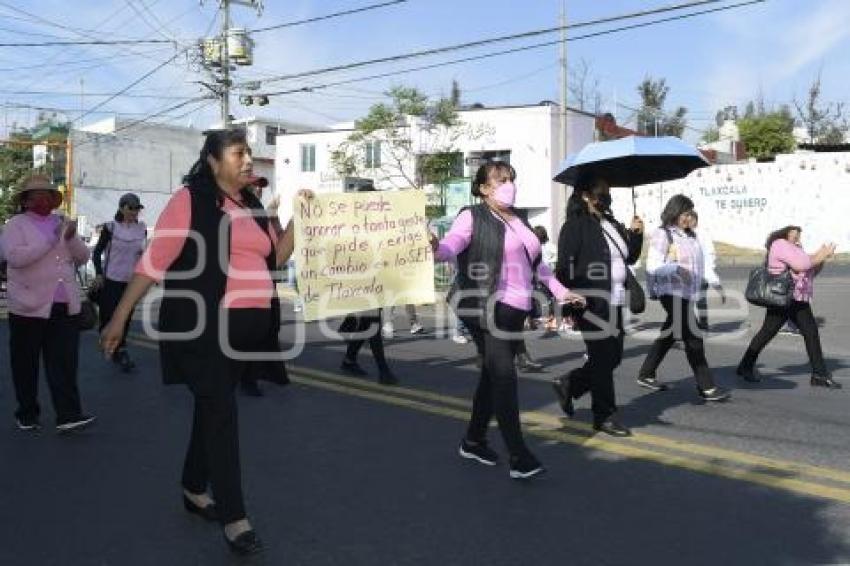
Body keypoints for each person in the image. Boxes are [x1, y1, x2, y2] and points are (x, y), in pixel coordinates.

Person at [101, 129, 304, 555]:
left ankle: (194, 486)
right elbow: (153, 261)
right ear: (213, 161)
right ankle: (235, 517)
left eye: (249, 152)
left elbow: (276, 259)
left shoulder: (252, 205)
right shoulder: (189, 200)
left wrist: (303, 220)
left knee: (213, 406)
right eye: (238, 153)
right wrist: (119, 317)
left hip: (248, 333)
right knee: (222, 414)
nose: (248, 159)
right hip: (204, 327)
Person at [432, 161, 585, 480]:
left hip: (515, 310)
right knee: (504, 376)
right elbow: (450, 248)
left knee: (491, 375)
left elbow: (539, 266)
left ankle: (473, 440)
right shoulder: (471, 216)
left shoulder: (521, 219)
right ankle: (519, 455)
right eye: (501, 180)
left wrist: (561, 292)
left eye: (512, 178)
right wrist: (435, 246)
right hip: (485, 306)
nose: (509, 184)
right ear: (484, 188)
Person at [0, 175, 96, 432]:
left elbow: (83, 256)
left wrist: (72, 237)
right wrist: (51, 240)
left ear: (55, 200)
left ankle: (68, 414)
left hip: (64, 305)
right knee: (25, 363)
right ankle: (27, 413)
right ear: (26, 201)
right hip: (27, 306)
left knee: (64, 362)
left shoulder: (61, 223)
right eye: (36, 195)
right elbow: (15, 257)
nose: (43, 199)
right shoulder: (15, 225)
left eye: (48, 195)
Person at [550, 174, 644, 436]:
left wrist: (636, 235)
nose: (606, 196)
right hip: (588, 302)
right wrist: (565, 303)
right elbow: (564, 267)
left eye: (608, 191)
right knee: (603, 359)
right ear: (585, 195)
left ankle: (571, 384)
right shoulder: (575, 226)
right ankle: (604, 415)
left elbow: (630, 257)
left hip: (614, 300)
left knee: (613, 357)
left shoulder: (612, 223)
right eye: (601, 192)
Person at [637, 195, 730, 402]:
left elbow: (703, 263)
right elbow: (653, 266)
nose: (689, 218)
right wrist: (676, 267)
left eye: (691, 214)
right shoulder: (663, 234)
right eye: (685, 214)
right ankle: (706, 386)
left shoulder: (691, 236)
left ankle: (646, 373)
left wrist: (716, 284)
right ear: (675, 212)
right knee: (693, 336)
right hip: (670, 292)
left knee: (669, 333)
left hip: (688, 293)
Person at [737, 226, 839, 388]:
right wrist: (820, 255)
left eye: (799, 233)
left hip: (795, 297)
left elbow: (810, 270)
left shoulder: (796, 248)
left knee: (804, 332)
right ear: (785, 232)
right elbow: (800, 265)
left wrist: (822, 257)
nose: (797, 235)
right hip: (785, 296)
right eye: (794, 232)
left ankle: (819, 374)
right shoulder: (779, 244)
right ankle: (746, 366)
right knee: (774, 332)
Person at [91, 193, 147, 372]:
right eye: (130, 207)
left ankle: (120, 349)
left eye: (137, 208)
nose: (134, 211)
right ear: (121, 208)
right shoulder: (111, 228)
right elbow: (97, 252)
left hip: (131, 281)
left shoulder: (142, 229)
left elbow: (143, 252)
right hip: (111, 279)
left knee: (126, 316)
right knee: (108, 315)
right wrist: (99, 274)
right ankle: (110, 341)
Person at [688, 211, 725, 331]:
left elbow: (710, 254)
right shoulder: (683, 234)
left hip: (702, 274)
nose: (687, 222)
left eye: (690, 219)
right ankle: (693, 323)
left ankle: (703, 323)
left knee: (700, 300)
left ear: (695, 220)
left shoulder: (703, 234)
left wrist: (711, 274)